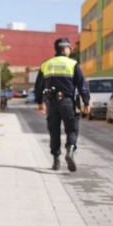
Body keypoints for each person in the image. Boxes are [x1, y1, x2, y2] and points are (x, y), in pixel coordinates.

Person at [34, 38, 90, 172]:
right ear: (65, 48)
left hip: (51, 103)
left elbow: (38, 86)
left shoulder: (46, 64)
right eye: (69, 48)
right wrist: (86, 102)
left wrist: (39, 102)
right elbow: (82, 85)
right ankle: (70, 150)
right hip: (68, 103)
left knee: (54, 131)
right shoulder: (72, 64)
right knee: (71, 129)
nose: (70, 50)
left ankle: (56, 161)